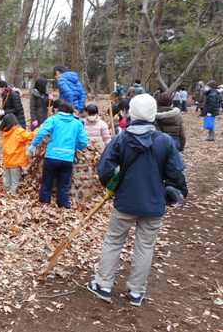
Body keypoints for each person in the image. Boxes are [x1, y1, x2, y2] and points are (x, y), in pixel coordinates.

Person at [88, 93, 188, 307]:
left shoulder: (121, 139)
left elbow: (104, 168)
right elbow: (176, 173)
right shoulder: (165, 142)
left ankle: (103, 284)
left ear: (130, 113)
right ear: (153, 115)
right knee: (145, 246)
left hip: (125, 201)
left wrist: (112, 186)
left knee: (114, 241)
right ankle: (136, 292)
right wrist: (172, 193)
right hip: (153, 202)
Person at [27, 100, 88, 208]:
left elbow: (42, 132)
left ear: (59, 110)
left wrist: (33, 145)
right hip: (67, 158)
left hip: (51, 156)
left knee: (47, 181)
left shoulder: (53, 119)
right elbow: (83, 142)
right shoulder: (77, 123)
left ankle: (44, 203)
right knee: (64, 184)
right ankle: (63, 205)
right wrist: (75, 147)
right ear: (71, 112)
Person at [0, 114, 35, 195]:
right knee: (15, 181)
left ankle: (6, 192)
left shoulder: (5, 132)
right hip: (15, 161)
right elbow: (30, 136)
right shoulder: (18, 131)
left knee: (7, 179)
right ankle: (12, 194)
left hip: (7, 161)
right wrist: (39, 128)